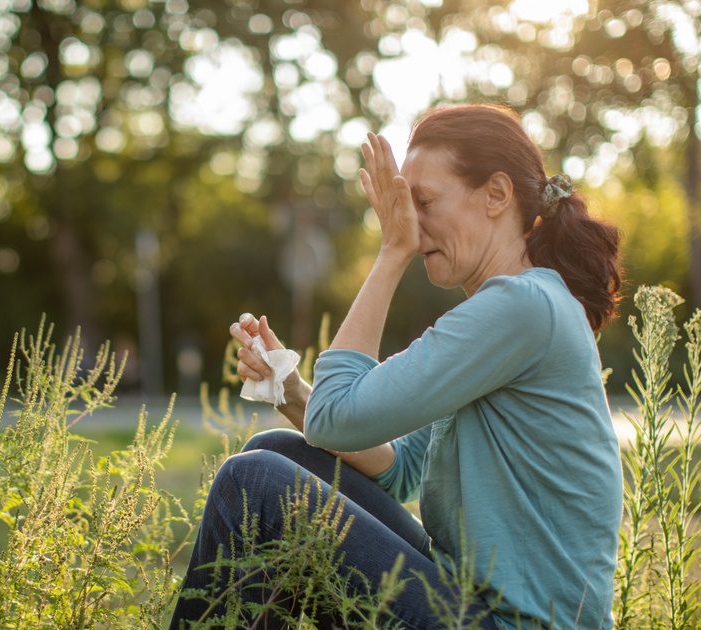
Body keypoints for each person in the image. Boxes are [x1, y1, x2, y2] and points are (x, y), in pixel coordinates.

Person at [169, 104, 624, 629]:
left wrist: (392, 253)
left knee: (253, 484)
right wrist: (290, 391)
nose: (408, 221)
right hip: (470, 606)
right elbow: (401, 469)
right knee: (273, 453)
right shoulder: (508, 311)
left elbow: (337, 418)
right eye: (404, 206)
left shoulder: (521, 308)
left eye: (423, 201)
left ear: (496, 195)